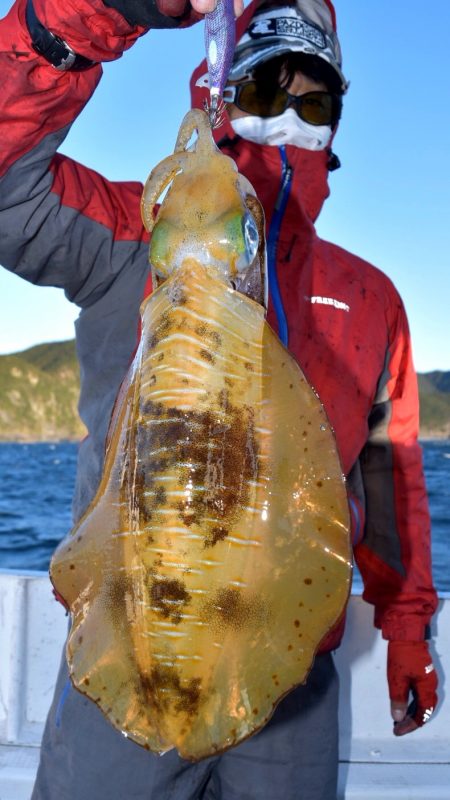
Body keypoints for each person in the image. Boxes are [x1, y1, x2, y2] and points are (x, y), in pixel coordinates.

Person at [0, 0, 439, 798]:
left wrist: (406, 627)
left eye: (315, 103)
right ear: (220, 94)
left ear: (335, 127)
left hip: (289, 662)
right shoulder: (128, 238)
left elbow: (389, 474)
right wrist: (93, 14)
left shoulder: (370, 296)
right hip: (132, 634)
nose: (290, 118)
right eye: (266, 89)